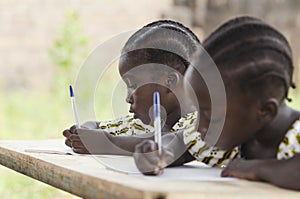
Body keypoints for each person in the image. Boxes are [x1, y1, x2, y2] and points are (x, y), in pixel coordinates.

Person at [134, 16, 300, 190]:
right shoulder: (236, 136)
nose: (199, 127)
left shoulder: (296, 134)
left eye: (209, 116)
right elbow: (181, 143)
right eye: (199, 112)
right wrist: (160, 154)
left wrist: (256, 169)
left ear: (265, 111)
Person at [63, 20, 237, 165]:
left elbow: (169, 141)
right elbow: (96, 126)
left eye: (133, 85)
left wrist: (106, 142)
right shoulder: (140, 126)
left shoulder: (202, 124)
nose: (127, 98)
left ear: (169, 82)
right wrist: (83, 132)